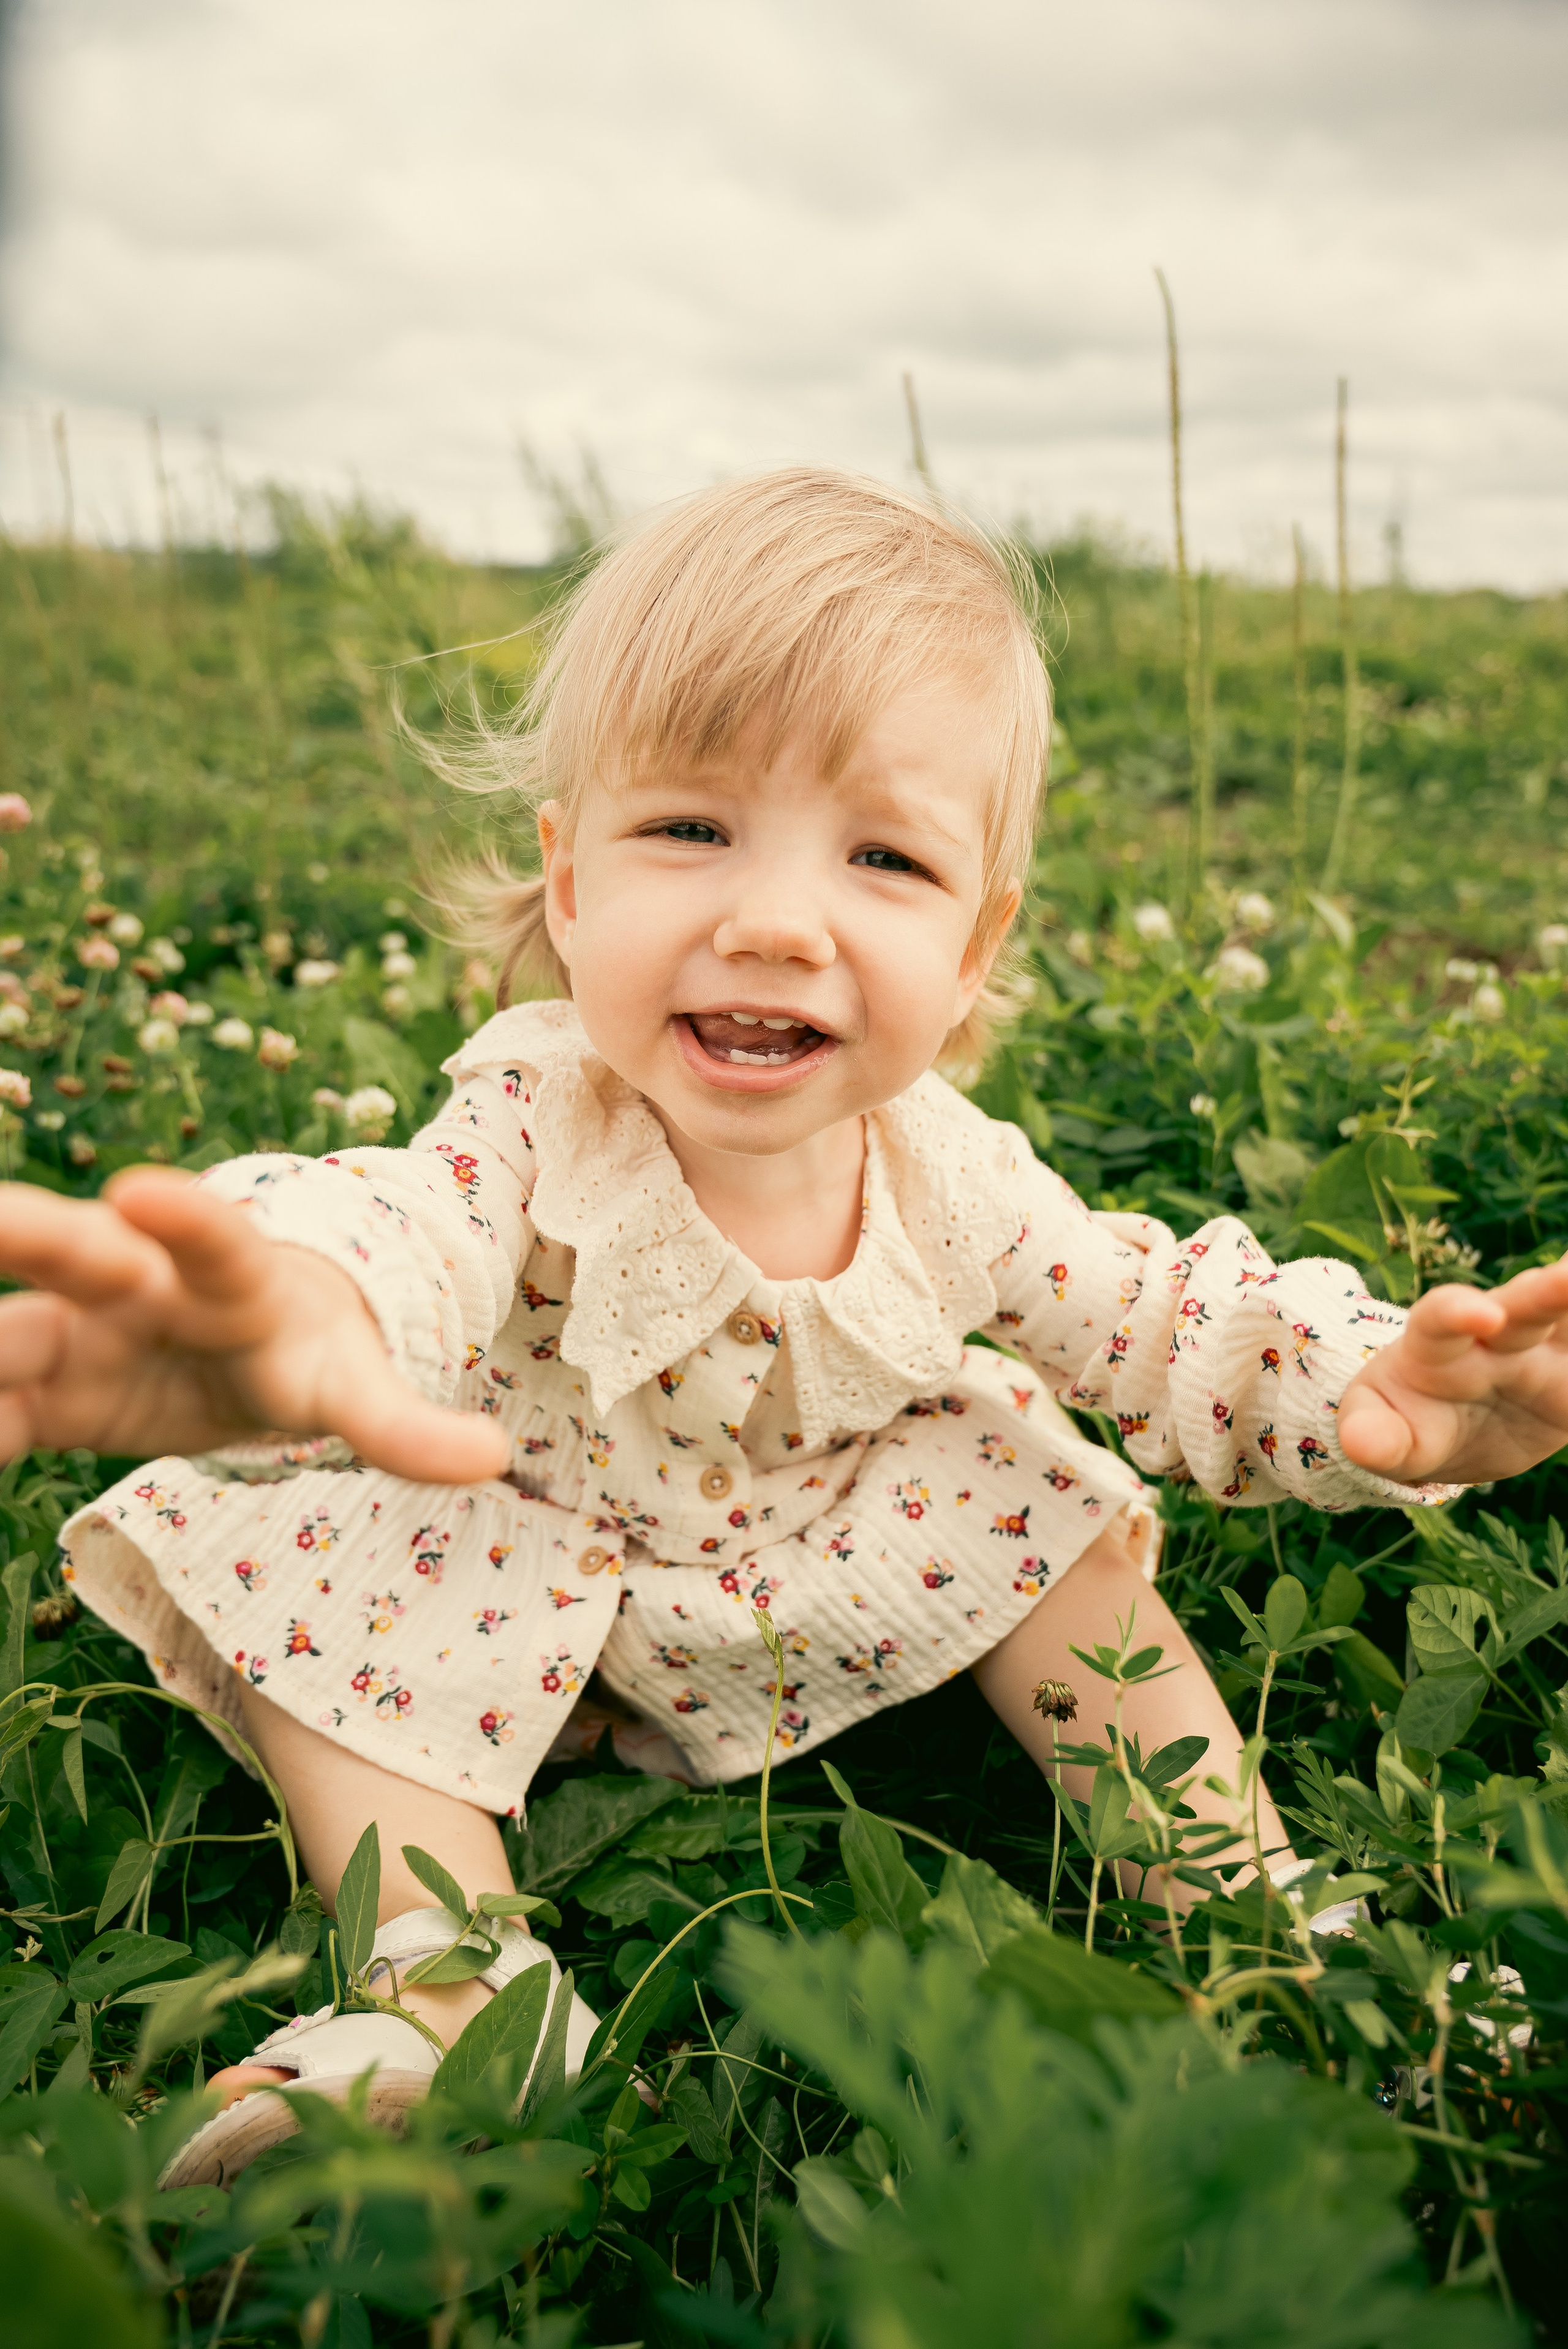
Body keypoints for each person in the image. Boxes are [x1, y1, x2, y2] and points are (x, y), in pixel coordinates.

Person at [3, 469, 1567, 2184]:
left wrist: (1361, 1395)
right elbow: (402, 1217)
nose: (773, 917)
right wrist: (298, 1306)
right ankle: (460, 1999)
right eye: (691, 828)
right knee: (326, 1533)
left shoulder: (953, 1178)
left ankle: (1262, 1914)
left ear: (976, 952)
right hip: (504, 1543)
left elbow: (1154, 1313)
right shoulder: (536, 1116)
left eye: (884, 855)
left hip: (800, 1560)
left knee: (1040, 1502)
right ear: (572, 879)